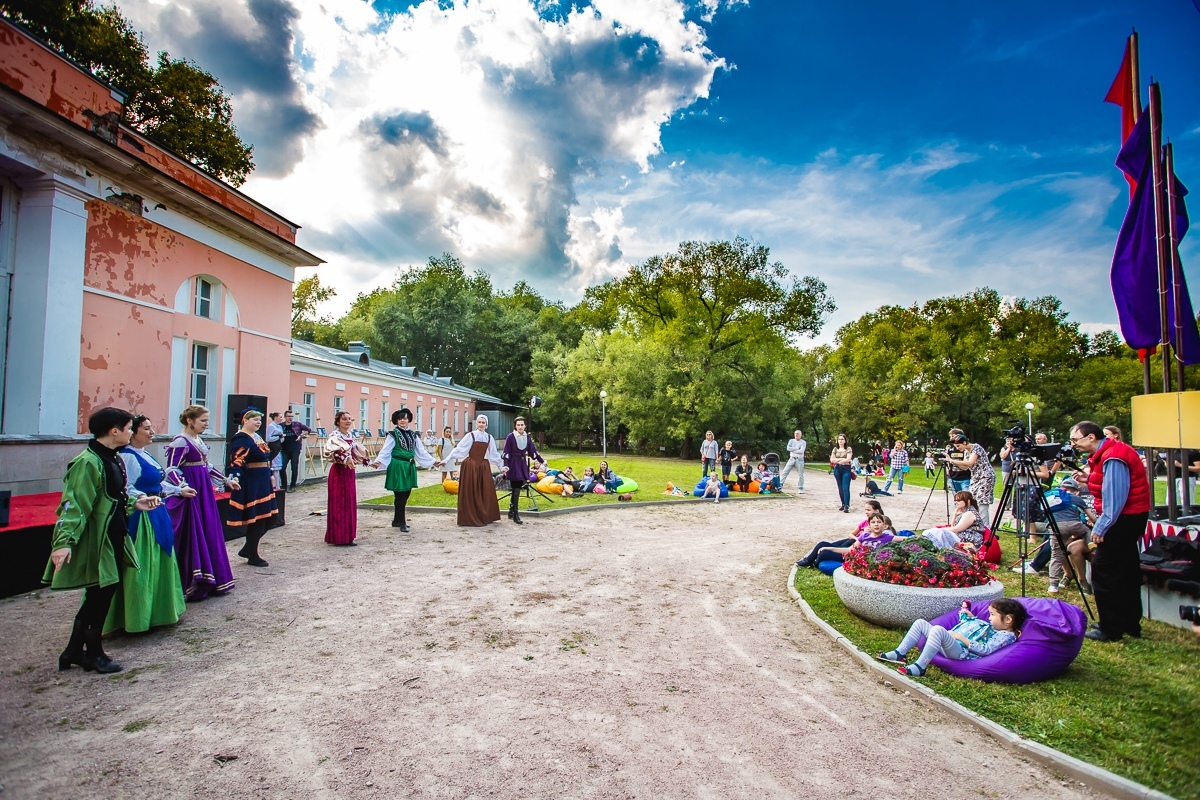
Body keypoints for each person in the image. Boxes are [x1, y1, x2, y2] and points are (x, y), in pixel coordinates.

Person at [45, 407, 158, 674]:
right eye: (129, 428)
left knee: (101, 594)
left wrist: (136, 502)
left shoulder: (114, 458)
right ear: (114, 431)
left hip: (114, 533)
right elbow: (75, 504)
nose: (132, 432)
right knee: (99, 594)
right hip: (99, 539)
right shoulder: (88, 462)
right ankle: (94, 654)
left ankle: (73, 652)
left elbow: (114, 496)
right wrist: (63, 542)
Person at [104, 415, 188, 634]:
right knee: (143, 562)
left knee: (159, 559)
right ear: (132, 432)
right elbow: (125, 487)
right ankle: (137, 616)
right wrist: (142, 497)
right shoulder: (126, 457)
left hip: (156, 512)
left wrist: (178, 490)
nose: (152, 433)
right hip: (141, 516)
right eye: (146, 429)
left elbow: (157, 482)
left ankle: (159, 612)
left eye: (152, 428)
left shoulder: (145, 454)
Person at [1070, 420, 1151, 641]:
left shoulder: (1114, 456)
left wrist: (1101, 526)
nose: (1073, 444)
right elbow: (1110, 484)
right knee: (1126, 568)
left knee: (1104, 570)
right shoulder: (1109, 452)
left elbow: (1115, 498)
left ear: (1091, 437)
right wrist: (1090, 479)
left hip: (1123, 519)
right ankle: (1129, 622)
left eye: (1076, 440)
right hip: (1130, 516)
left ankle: (1111, 627)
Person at [164, 405, 236, 600]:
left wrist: (225, 480)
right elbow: (171, 469)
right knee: (195, 532)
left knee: (209, 528)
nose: (206, 424)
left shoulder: (197, 439)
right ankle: (196, 580)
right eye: (203, 420)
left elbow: (207, 466)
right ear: (190, 421)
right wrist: (182, 487)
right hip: (192, 489)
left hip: (203, 487)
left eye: (207, 420)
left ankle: (212, 577)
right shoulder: (180, 441)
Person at [878, 598, 1026, 677]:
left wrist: (961, 638)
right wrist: (969, 616)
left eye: (993, 615)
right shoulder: (990, 626)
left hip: (962, 652)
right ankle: (900, 653)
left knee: (937, 630)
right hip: (951, 642)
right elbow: (973, 627)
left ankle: (920, 667)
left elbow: (986, 649)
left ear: (1008, 620)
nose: (989, 618)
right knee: (920, 623)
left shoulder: (1005, 635)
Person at [226, 409, 279, 566]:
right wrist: (235, 477)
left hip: (263, 480)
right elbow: (236, 461)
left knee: (271, 517)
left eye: (259, 420)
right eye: (255, 419)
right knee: (258, 519)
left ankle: (248, 548)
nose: (258, 422)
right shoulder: (241, 438)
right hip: (253, 481)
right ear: (245, 420)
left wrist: (270, 473)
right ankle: (253, 554)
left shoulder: (256, 437)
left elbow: (265, 458)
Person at [371, 408, 436, 532]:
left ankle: (397, 520)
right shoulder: (393, 434)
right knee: (400, 495)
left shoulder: (413, 434)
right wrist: (378, 461)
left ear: (409, 420)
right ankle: (402, 522)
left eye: (405, 418)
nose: (402, 420)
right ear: (396, 420)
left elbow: (420, 451)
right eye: (400, 418)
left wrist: (433, 461)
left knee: (406, 494)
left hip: (409, 466)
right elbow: (386, 449)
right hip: (398, 465)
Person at [438, 415, 504, 527]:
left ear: (486, 425)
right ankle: (469, 516)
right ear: (476, 424)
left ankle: (485, 515)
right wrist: (447, 459)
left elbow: (494, 454)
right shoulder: (471, 435)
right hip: (471, 466)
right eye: (479, 422)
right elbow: (459, 449)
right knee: (471, 490)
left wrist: (501, 467)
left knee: (485, 490)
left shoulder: (489, 437)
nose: (481, 424)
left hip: (483, 466)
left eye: (483, 422)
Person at [1040, 477, 1095, 594]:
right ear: (1076, 491)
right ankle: (1091, 544)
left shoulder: (1051, 498)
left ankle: (1053, 585)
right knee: (1086, 531)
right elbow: (1092, 518)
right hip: (1075, 524)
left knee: (1056, 555)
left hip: (1056, 527)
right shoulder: (1076, 498)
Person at [324, 411, 370, 545]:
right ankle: (338, 537)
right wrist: (346, 459)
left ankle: (348, 535)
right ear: (338, 421)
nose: (348, 421)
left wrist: (366, 461)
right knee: (339, 502)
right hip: (339, 472)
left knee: (348, 502)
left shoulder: (349, 436)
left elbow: (357, 452)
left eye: (349, 419)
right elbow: (333, 452)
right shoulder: (334, 436)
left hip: (349, 472)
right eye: (344, 419)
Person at [797, 499, 885, 566]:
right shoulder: (865, 522)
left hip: (855, 546)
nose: (866, 512)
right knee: (822, 545)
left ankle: (811, 561)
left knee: (823, 550)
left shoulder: (880, 524)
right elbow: (852, 534)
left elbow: (882, 536)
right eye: (865, 510)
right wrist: (858, 537)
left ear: (877, 511)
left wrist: (865, 535)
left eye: (868, 510)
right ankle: (809, 560)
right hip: (853, 541)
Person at [945, 432, 995, 529]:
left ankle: (986, 528)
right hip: (975, 478)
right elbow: (965, 467)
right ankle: (973, 524)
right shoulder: (966, 452)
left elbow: (970, 463)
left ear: (964, 442)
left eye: (958, 446)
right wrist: (951, 462)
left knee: (982, 501)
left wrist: (952, 461)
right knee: (971, 500)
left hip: (985, 477)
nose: (958, 448)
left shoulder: (976, 448)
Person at [502, 417, 545, 524]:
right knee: (515, 487)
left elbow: (533, 451)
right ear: (515, 426)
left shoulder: (528, 437)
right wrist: (506, 466)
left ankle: (511, 511)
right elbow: (506, 452)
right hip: (513, 464)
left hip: (522, 464)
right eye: (518, 425)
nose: (520, 427)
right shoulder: (510, 437)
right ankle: (515, 513)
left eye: (522, 425)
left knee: (518, 486)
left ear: (525, 426)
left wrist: (542, 461)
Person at [810, 513, 894, 564]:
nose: (876, 524)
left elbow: (903, 539)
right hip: (853, 555)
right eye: (873, 522)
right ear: (869, 524)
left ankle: (814, 563)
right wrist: (830, 548)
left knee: (824, 553)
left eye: (879, 522)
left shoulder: (887, 537)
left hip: (859, 560)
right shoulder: (865, 536)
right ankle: (811, 561)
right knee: (823, 547)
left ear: (884, 525)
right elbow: (850, 550)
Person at [923, 491, 987, 549]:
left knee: (937, 532)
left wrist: (940, 529)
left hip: (969, 540)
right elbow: (952, 527)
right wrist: (955, 515)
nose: (956, 502)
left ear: (968, 501)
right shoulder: (966, 512)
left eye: (959, 500)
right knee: (934, 532)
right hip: (962, 536)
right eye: (955, 500)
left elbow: (957, 529)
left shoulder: (969, 513)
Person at [279, 409, 312, 491]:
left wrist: (302, 434)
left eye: (291, 416)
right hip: (284, 448)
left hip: (295, 448)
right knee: (282, 467)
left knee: (294, 467)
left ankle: (293, 485)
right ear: (285, 417)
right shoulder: (281, 426)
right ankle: (284, 485)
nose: (290, 418)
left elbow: (308, 429)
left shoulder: (297, 424)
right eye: (288, 416)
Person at [829, 434, 854, 512]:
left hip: (846, 469)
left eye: (842, 439)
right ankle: (843, 504)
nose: (840, 440)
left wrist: (838, 460)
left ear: (845, 440)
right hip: (837, 469)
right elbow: (832, 460)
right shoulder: (835, 449)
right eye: (839, 439)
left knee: (845, 487)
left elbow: (848, 459)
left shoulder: (848, 449)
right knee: (840, 487)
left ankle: (847, 505)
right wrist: (842, 459)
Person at [945, 429, 972, 493]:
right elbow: (948, 463)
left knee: (966, 497)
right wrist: (948, 474)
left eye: (953, 436)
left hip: (965, 478)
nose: (951, 438)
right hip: (953, 477)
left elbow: (966, 466)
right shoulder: (950, 450)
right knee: (957, 499)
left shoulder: (965, 450)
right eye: (950, 436)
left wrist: (953, 461)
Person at [265, 412, 284, 489]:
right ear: (275, 417)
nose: (281, 418)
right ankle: (274, 486)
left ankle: (277, 485)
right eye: (280, 417)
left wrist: (281, 438)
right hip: (273, 448)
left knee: (277, 468)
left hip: (278, 447)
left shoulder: (279, 427)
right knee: (274, 468)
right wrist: (278, 437)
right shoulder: (271, 426)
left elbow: (282, 438)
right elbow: (267, 438)